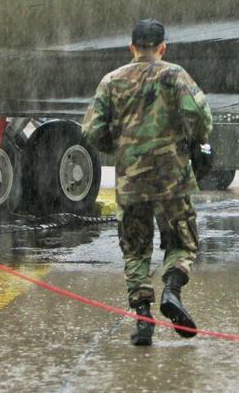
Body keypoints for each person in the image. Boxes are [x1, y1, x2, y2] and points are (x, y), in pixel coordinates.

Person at [82, 19, 213, 346]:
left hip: (132, 180)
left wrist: (123, 147)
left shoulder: (112, 80)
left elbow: (91, 130)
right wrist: (194, 139)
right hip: (171, 177)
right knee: (182, 240)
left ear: (132, 47)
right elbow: (200, 116)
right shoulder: (175, 75)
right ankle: (172, 291)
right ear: (162, 48)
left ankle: (143, 320)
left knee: (136, 249)